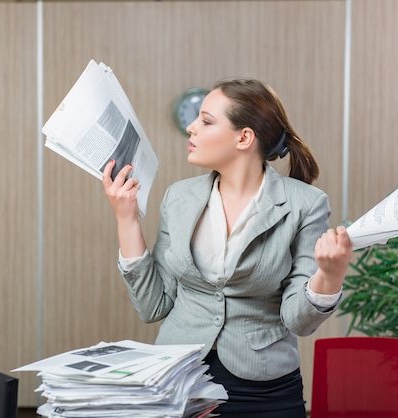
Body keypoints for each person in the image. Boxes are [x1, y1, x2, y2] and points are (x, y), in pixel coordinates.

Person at [101, 78, 353, 417]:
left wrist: (330, 275)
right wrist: (126, 219)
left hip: (265, 389)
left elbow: (298, 320)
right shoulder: (179, 197)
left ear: (244, 137)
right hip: (179, 377)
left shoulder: (305, 204)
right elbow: (153, 305)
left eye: (206, 121)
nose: (191, 128)